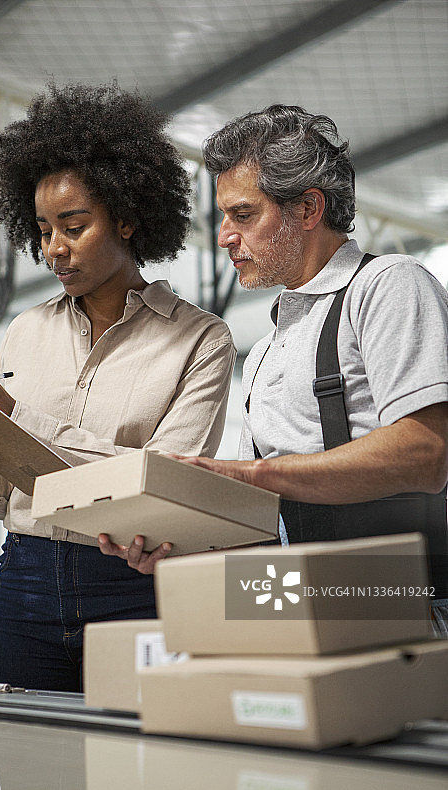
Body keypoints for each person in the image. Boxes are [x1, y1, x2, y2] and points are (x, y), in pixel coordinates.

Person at [0, 83, 236, 690]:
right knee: (21, 772)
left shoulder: (201, 340)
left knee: (137, 779)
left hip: (133, 586)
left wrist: (16, 418)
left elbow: (162, 483)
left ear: (126, 216)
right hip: (23, 587)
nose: (53, 249)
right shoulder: (25, 331)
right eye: (42, 230)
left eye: (74, 225)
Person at [176, 104, 448, 633]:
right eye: (223, 217)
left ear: (307, 208)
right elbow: (261, 526)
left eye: (244, 215)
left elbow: (427, 452)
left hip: (391, 598)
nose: (225, 237)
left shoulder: (388, 286)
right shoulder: (263, 352)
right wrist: (181, 546)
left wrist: (255, 475)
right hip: (287, 599)